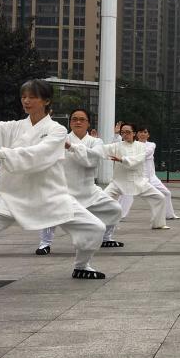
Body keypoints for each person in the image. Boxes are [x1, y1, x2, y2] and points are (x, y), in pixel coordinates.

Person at [0, 80, 106, 279]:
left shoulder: (58, 131)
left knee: (95, 227)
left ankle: (82, 266)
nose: (26, 101)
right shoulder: (14, 127)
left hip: (51, 197)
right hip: (13, 196)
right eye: (23, 96)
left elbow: (38, 155)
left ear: (46, 101)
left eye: (32, 97)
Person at [36, 109, 125, 254]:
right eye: (74, 119)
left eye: (82, 119)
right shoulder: (61, 139)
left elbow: (91, 161)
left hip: (89, 190)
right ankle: (44, 244)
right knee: (50, 213)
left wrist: (71, 147)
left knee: (115, 209)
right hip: (64, 189)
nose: (78, 122)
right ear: (70, 122)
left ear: (88, 123)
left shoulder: (96, 141)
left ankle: (106, 238)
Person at [99, 123, 169, 232]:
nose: (125, 135)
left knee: (160, 197)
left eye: (128, 132)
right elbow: (102, 149)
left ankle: (158, 224)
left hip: (138, 181)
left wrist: (122, 159)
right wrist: (85, 145)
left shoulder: (142, 146)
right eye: (123, 133)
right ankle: (98, 225)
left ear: (134, 133)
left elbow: (139, 159)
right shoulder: (117, 145)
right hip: (118, 182)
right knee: (102, 199)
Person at [119, 126, 180, 221]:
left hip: (152, 177)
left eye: (145, 132)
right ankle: (119, 215)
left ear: (148, 135)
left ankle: (169, 214)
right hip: (137, 177)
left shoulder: (151, 145)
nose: (143, 134)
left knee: (166, 193)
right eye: (140, 132)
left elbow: (146, 153)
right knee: (127, 194)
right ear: (137, 134)